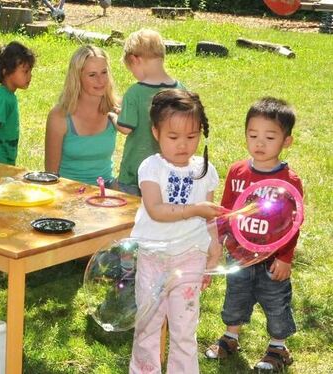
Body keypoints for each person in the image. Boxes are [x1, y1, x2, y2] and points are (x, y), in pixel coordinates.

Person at [128, 89, 224, 373]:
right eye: (173, 137)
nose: (183, 145)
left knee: (184, 329)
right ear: (155, 132)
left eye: (192, 136)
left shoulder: (206, 171)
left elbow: (210, 218)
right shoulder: (151, 168)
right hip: (152, 256)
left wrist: (214, 248)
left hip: (190, 257)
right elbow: (156, 209)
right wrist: (195, 209)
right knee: (147, 326)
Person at [205, 97, 303, 372]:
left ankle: (278, 346)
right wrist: (224, 240)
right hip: (239, 252)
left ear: (286, 141)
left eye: (270, 137)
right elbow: (227, 210)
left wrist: (285, 258)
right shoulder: (238, 171)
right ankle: (231, 336)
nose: (259, 143)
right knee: (236, 296)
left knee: (275, 302)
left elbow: (293, 224)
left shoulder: (289, 181)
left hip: (271, 258)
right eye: (253, 135)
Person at [116, 29, 185, 196]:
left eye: (131, 69)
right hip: (168, 171)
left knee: (131, 218)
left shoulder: (135, 92)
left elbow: (126, 128)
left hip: (135, 173)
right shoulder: (180, 89)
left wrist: (113, 116)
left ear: (134, 59)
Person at [44, 45, 120, 186]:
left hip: (106, 193)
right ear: (77, 78)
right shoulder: (59, 117)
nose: (101, 80)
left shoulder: (116, 109)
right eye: (92, 75)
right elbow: (50, 175)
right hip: (68, 193)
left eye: (104, 72)